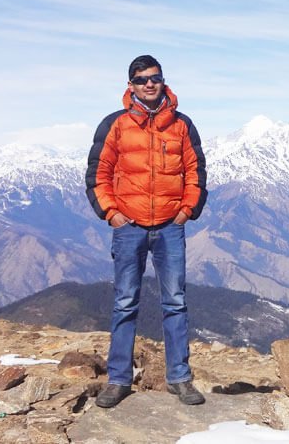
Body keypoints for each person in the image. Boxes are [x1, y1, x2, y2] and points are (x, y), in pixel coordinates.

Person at [85, 54, 208, 408]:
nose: (149, 84)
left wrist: (187, 212)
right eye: (141, 80)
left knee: (175, 302)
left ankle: (179, 379)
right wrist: (112, 213)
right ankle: (118, 380)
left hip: (170, 225)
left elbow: (195, 171)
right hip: (129, 226)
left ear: (163, 81)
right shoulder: (116, 125)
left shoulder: (182, 125)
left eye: (155, 77)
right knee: (125, 303)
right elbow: (98, 174)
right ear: (131, 86)